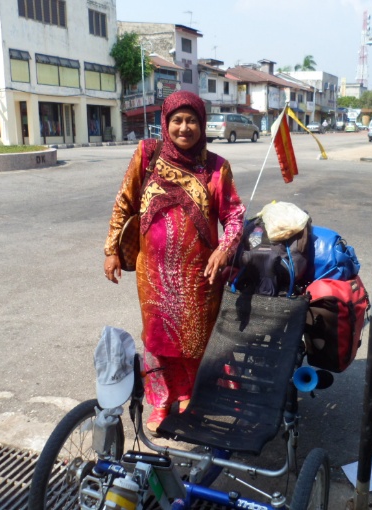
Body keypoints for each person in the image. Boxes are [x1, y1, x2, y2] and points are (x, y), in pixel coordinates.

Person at [103, 91, 246, 433]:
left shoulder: (216, 167)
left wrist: (225, 247)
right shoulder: (146, 155)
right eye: (177, 120)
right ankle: (162, 399)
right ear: (166, 124)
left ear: (202, 124)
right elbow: (124, 202)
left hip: (199, 274)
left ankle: (191, 395)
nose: (185, 128)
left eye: (192, 120)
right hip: (152, 273)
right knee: (157, 340)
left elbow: (236, 215)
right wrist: (111, 249)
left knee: (195, 340)